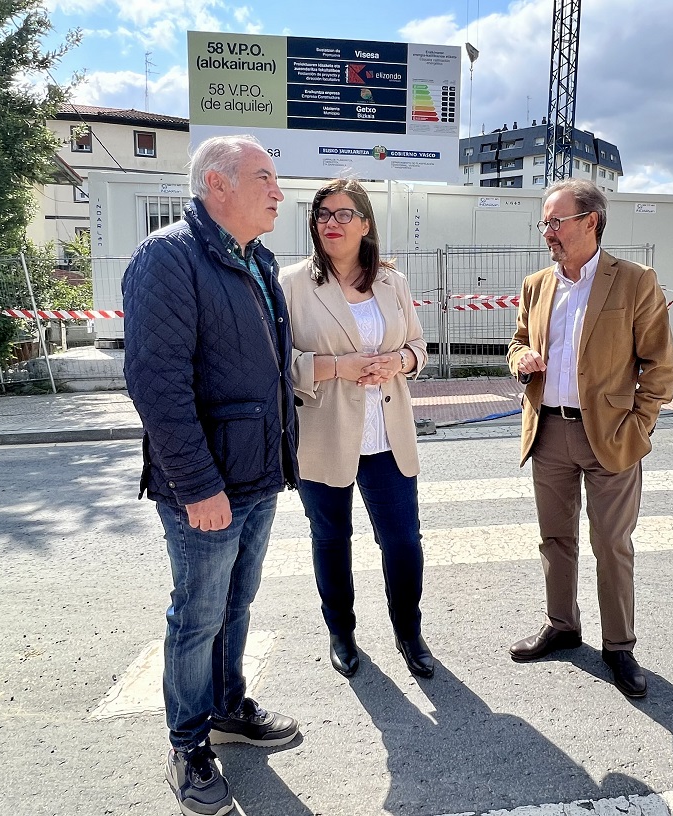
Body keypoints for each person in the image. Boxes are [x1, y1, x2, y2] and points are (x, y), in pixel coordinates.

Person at [123, 134, 300, 816]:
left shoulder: (256, 258)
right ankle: (188, 746)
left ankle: (226, 709)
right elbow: (157, 383)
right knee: (197, 616)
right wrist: (198, 486)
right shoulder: (168, 257)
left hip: (256, 475)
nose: (278, 192)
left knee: (237, 603)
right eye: (264, 177)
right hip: (206, 485)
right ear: (217, 185)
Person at [507, 178, 673, 698]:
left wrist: (638, 426)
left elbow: (660, 368)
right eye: (545, 222)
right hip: (549, 431)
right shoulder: (537, 285)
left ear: (591, 221)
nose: (548, 232)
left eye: (556, 221)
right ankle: (562, 624)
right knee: (556, 539)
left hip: (611, 436)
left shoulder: (633, 280)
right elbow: (516, 344)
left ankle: (619, 646)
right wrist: (521, 362)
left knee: (611, 544)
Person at [280, 178, 432, 680]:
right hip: (325, 435)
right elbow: (279, 362)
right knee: (331, 540)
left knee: (404, 541)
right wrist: (336, 367)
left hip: (388, 435)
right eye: (323, 214)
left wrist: (399, 360)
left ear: (365, 224)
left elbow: (419, 348)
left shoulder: (394, 282)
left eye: (344, 214)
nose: (331, 223)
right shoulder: (292, 284)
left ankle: (408, 631)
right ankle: (341, 632)